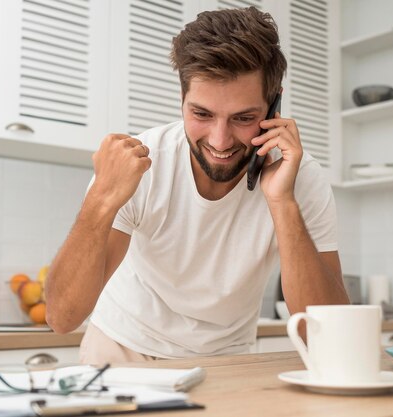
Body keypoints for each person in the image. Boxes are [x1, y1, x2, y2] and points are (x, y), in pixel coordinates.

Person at [45, 7, 349, 365]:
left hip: (228, 361)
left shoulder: (301, 178)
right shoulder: (141, 163)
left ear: (273, 107)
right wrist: (100, 198)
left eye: (244, 118)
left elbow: (327, 338)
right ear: (182, 99)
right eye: (202, 114)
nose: (220, 141)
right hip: (121, 350)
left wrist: (282, 201)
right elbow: (62, 319)